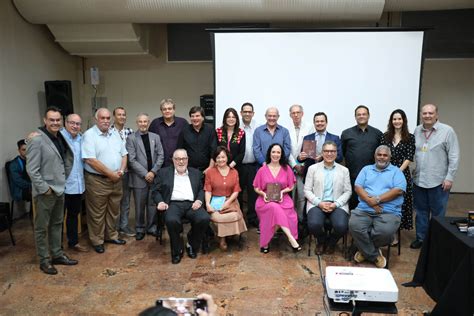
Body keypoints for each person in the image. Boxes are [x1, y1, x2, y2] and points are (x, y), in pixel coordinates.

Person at [26, 106, 78, 275]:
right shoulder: (37, 140)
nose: (55, 123)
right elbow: (32, 169)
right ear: (45, 120)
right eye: (52, 120)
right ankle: (44, 260)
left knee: (57, 224)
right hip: (45, 192)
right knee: (41, 227)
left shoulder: (60, 135)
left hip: (60, 189)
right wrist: (44, 189)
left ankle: (57, 254)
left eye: (58, 120)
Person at [410, 104, 460, 249]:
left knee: (438, 214)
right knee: (420, 212)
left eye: (430, 113)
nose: (427, 116)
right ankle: (421, 238)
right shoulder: (417, 130)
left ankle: (437, 241)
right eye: (424, 113)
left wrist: (449, 177)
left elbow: (454, 156)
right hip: (419, 180)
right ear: (421, 115)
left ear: (436, 115)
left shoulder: (447, 131)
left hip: (439, 181)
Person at [349, 145, 406, 268]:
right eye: (379, 154)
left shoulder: (397, 172)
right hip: (364, 208)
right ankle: (374, 255)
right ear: (375, 156)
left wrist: (377, 200)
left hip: (388, 211)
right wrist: (370, 202)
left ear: (390, 157)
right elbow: (358, 187)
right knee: (354, 225)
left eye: (385, 155)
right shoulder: (366, 169)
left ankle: (365, 251)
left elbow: (398, 191)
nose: (382, 157)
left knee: (385, 232)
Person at [152, 149, 210, 264]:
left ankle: (191, 244)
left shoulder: (196, 173)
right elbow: (155, 191)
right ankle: (177, 250)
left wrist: (199, 200)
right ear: (173, 160)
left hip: (191, 204)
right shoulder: (163, 173)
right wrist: (160, 202)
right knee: (171, 220)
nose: (181, 162)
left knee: (204, 218)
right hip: (173, 204)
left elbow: (201, 190)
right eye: (178, 159)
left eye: (183, 158)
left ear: (188, 160)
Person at [82, 108, 128, 254]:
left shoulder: (115, 134)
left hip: (116, 179)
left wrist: (120, 170)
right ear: (96, 119)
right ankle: (97, 240)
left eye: (108, 118)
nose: (106, 121)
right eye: (102, 118)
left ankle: (111, 235)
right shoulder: (89, 135)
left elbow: (124, 154)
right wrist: (110, 174)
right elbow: (90, 160)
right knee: (97, 213)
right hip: (98, 181)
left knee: (114, 210)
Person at [304, 141, 351, 255]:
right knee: (314, 224)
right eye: (326, 151)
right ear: (322, 153)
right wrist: (319, 203)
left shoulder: (344, 170)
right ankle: (321, 240)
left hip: (337, 203)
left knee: (341, 226)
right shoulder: (313, 169)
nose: (329, 154)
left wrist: (336, 204)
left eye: (332, 151)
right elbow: (307, 190)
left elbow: (348, 191)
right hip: (317, 203)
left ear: (336, 153)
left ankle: (332, 242)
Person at [253, 143, 301, 253]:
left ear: (281, 154)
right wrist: (264, 194)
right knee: (274, 208)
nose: (276, 154)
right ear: (269, 153)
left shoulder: (286, 168)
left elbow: (291, 186)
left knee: (283, 213)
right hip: (265, 201)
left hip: (283, 199)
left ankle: (265, 242)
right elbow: (256, 187)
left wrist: (282, 191)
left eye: (278, 152)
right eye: (273, 152)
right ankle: (291, 239)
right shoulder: (262, 170)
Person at [126, 113, 164, 240]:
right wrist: (145, 173)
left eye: (145, 121)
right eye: (140, 121)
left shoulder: (156, 137)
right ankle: (140, 228)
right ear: (137, 123)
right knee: (139, 205)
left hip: (154, 176)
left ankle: (151, 227)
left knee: (152, 204)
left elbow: (161, 156)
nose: (143, 124)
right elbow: (131, 160)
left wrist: (152, 172)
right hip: (139, 178)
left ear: (149, 123)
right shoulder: (131, 138)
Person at [379, 109, 416, 241]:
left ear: (404, 120)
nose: (397, 121)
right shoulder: (385, 136)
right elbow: (381, 155)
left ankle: (396, 232)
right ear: (391, 121)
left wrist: (397, 171)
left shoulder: (410, 137)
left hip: (402, 174)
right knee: (387, 201)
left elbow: (409, 156)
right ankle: (389, 232)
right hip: (385, 173)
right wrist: (389, 172)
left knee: (400, 203)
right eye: (394, 119)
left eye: (399, 119)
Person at [204, 146, 247, 251]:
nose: (221, 160)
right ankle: (222, 238)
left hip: (230, 199)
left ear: (227, 158)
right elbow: (208, 190)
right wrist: (207, 204)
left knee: (234, 215)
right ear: (215, 159)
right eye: (218, 157)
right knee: (219, 218)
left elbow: (236, 191)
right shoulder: (210, 172)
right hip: (215, 200)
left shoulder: (234, 172)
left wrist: (228, 202)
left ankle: (229, 235)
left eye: (223, 157)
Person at [341, 105, 382, 210]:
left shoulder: (378, 134)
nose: (361, 116)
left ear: (368, 116)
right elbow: (343, 153)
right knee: (353, 204)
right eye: (358, 114)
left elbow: (381, 155)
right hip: (353, 176)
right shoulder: (346, 133)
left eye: (364, 114)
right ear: (355, 117)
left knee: (371, 204)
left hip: (373, 177)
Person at [60, 113, 88, 252]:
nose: (75, 126)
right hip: (62, 185)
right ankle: (57, 247)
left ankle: (73, 242)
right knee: (58, 219)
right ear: (65, 123)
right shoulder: (58, 137)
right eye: (72, 123)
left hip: (77, 185)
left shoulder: (82, 139)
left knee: (73, 216)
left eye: (78, 124)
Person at [110, 106, 135, 237]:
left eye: (124, 115)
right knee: (113, 201)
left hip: (127, 171)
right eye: (119, 114)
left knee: (125, 200)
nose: (122, 117)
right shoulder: (108, 132)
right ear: (114, 116)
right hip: (112, 173)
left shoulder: (130, 132)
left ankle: (124, 226)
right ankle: (112, 228)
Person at [287, 104, 314, 222]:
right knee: (290, 196)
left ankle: (301, 221)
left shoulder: (310, 127)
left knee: (302, 197)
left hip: (304, 168)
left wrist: (302, 166)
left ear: (302, 114)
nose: (296, 115)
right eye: (293, 113)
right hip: (290, 167)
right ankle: (290, 221)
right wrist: (294, 164)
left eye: (298, 112)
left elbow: (310, 148)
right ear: (290, 115)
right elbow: (286, 149)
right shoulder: (285, 129)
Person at [299, 112, 342, 178]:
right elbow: (301, 159)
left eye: (322, 121)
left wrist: (323, 156)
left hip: (329, 174)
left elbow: (339, 158)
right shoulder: (307, 138)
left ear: (326, 123)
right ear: (314, 123)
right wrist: (300, 157)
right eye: (317, 121)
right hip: (311, 174)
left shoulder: (335, 138)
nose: (319, 123)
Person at [149, 98, 188, 167]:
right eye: (164, 109)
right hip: (160, 164)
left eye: (169, 109)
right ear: (161, 111)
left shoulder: (183, 123)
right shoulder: (155, 123)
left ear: (174, 109)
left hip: (180, 163)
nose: (167, 111)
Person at [177, 106, 217, 173]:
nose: (195, 118)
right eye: (192, 116)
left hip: (207, 169)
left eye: (197, 116)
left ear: (203, 117)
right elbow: (180, 151)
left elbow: (214, 150)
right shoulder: (184, 131)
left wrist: (210, 168)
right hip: (189, 170)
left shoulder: (210, 130)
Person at [238, 102, 259, 228]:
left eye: (249, 112)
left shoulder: (258, 127)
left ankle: (252, 218)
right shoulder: (236, 126)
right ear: (241, 113)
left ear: (253, 113)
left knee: (253, 194)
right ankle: (239, 218)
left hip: (253, 165)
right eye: (244, 111)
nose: (247, 114)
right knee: (238, 192)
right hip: (238, 166)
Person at [8, 139, 32, 219]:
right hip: (20, 190)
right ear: (19, 150)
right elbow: (18, 181)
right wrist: (32, 185)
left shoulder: (30, 161)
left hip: (29, 188)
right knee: (41, 193)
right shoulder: (14, 164)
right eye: (23, 150)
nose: (26, 151)